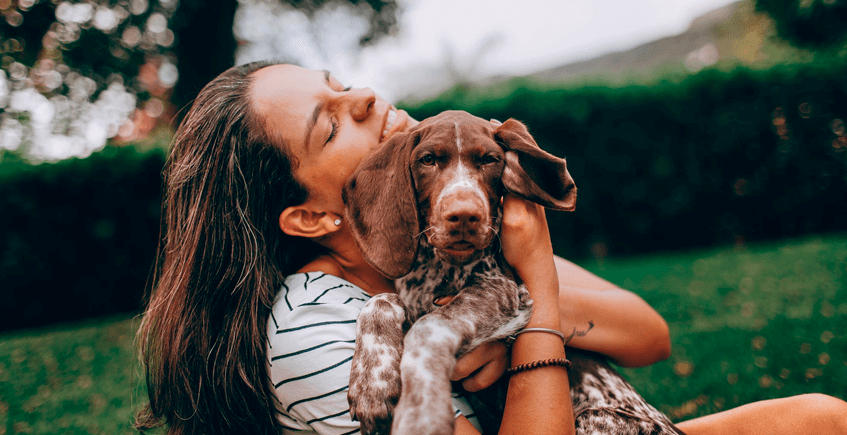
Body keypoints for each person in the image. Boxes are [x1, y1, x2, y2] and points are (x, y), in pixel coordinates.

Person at [135, 61, 847, 435]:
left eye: (341, 83)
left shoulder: (456, 234)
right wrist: (536, 285)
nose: (365, 97)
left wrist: (511, 320)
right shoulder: (315, 325)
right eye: (330, 124)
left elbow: (648, 335)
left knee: (824, 418)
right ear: (309, 217)